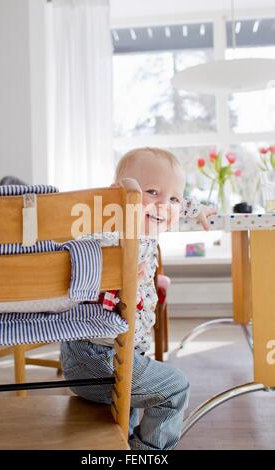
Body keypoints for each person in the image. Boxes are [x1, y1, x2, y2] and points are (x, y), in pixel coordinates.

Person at [60, 147, 216, 450]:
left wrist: (197, 210)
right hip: (95, 357)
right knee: (175, 388)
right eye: (152, 192)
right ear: (116, 195)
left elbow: (172, 204)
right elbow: (77, 249)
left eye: (172, 199)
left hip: (116, 353)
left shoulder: (146, 224)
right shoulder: (109, 231)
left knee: (125, 418)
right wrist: (114, 272)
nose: (162, 206)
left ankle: (126, 446)